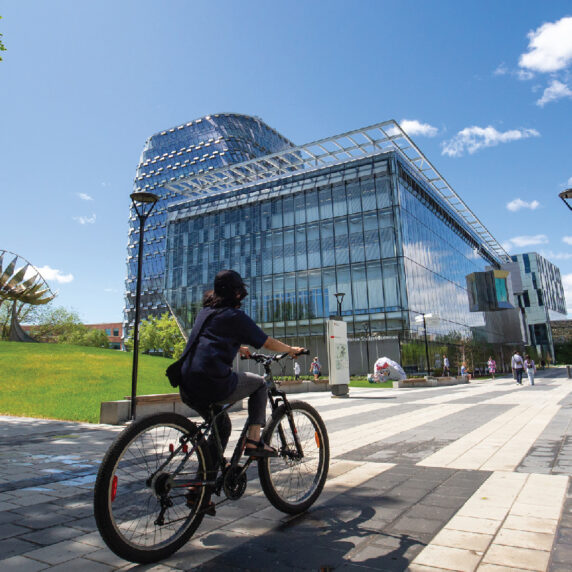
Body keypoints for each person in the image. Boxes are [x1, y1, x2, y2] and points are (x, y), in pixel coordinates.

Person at [179, 269, 305, 464]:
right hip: (212, 383)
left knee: (221, 427)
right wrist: (290, 349)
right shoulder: (235, 316)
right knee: (260, 384)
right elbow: (267, 342)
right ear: (237, 293)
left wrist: (237, 347)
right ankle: (254, 441)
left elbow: (210, 339)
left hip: (186, 382)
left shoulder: (205, 313)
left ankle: (201, 487)